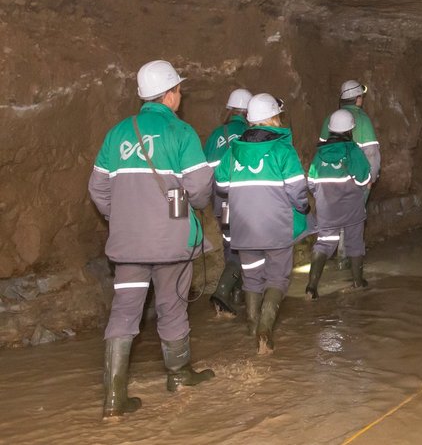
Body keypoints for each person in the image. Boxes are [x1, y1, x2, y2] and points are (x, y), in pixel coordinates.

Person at [87, 60, 216, 419]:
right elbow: (200, 186)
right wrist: (189, 208)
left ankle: (114, 398)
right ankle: (179, 376)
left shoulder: (116, 134)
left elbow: (98, 188)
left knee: (125, 311)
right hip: (172, 240)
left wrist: (125, 217)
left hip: (128, 243)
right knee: (172, 305)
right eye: (179, 90)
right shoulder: (181, 133)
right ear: (171, 94)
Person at [214, 93, 311, 355]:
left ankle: (252, 324)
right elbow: (297, 190)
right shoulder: (282, 149)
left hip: (243, 229)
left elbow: (221, 186)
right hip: (276, 228)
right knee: (277, 278)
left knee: (252, 278)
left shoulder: (233, 150)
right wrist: (303, 208)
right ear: (273, 117)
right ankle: (265, 330)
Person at [306, 109, 372, 298]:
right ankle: (358, 282)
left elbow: (311, 181)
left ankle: (311, 287)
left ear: (331, 130)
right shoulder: (353, 151)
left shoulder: (320, 153)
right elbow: (363, 179)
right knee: (354, 242)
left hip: (327, 208)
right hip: (351, 207)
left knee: (324, 243)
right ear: (351, 129)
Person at [204, 88, 252, 317]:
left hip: (220, 202)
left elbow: (204, 172)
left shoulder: (216, 135)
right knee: (245, 248)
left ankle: (236, 295)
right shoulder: (250, 135)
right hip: (242, 202)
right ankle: (223, 293)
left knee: (229, 243)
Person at [320, 80, 380, 184]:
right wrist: (370, 180)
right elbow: (371, 153)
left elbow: (320, 151)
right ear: (358, 99)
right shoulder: (362, 120)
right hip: (354, 182)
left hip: (329, 181)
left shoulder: (330, 119)